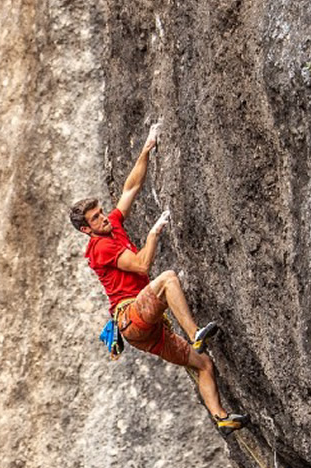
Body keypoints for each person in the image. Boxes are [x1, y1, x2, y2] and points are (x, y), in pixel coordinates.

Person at [70, 129, 248, 433]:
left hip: (146, 329)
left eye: (101, 213)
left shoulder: (111, 226)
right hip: (132, 316)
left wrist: (146, 147)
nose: (103, 218)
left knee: (202, 364)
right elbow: (141, 265)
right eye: (96, 218)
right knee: (167, 280)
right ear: (87, 230)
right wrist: (153, 233)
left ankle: (222, 418)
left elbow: (131, 187)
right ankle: (195, 333)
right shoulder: (100, 247)